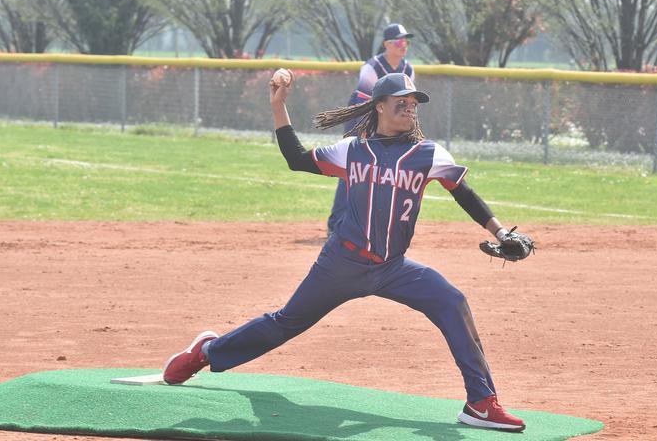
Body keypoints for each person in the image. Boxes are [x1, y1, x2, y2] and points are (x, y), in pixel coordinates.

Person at [162, 71, 531, 432]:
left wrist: (500, 231)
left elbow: (463, 192)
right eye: (401, 102)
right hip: (341, 263)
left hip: (393, 267)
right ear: (379, 107)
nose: (410, 108)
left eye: (414, 103)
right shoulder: (352, 151)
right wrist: (279, 106)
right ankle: (207, 352)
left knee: (452, 302)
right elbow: (296, 158)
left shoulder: (428, 154)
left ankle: (481, 404)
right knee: (286, 323)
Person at [327, 23, 417, 235]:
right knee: (354, 166)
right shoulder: (372, 67)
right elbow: (366, 105)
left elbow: (408, 104)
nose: (404, 45)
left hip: (389, 118)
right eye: (399, 41)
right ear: (387, 44)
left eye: (406, 41)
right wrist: (368, 133)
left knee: (387, 167)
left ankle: (375, 222)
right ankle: (336, 224)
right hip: (362, 115)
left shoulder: (408, 69)